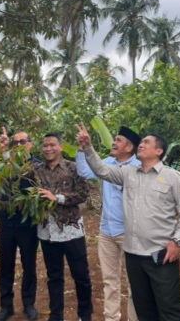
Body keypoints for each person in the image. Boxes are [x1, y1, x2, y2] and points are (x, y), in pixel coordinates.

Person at [76, 123, 180, 321]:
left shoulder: (172, 177)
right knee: (144, 308)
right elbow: (101, 170)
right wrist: (88, 147)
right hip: (133, 254)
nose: (141, 144)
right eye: (141, 142)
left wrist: (177, 241)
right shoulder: (128, 173)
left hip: (160, 254)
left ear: (158, 151)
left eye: (147, 142)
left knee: (169, 308)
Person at [0, 110, 39, 321]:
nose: (18, 145)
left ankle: (29, 304)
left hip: (28, 223)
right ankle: (6, 306)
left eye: (22, 142)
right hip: (7, 222)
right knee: (6, 264)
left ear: (30, 144)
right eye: (15, 142)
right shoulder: (5, 161)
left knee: (29, 265)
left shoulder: (37, 165)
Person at [76, 126, 141, 321]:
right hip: (107, 230)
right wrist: (82, 148)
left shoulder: (139, 166)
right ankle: (111, 318)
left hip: (129, 231)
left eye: (119, 140)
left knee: (134, 282)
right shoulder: (106, 163)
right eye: (115, 139)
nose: (113, 142)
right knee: (109, 280)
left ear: (129, 147)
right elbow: (85, 172)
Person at [34, 132, 93, 321]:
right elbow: (13, 171)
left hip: (71, 230)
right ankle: (56, 315)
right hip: (47, 232)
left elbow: (83, 194)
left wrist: (57, 198)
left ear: (61, 147)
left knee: (81, 275)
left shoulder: (73, 168)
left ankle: (85, 315)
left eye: (52, 145)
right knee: (54, 277)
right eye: (45, 145)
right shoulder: (36, 170)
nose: (48, 149)